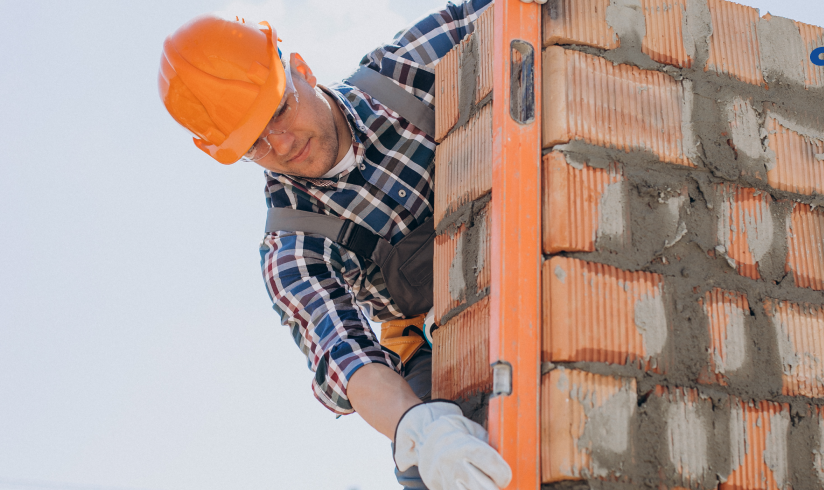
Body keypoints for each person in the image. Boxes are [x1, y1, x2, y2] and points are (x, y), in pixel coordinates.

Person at [157, 1, 545, 488]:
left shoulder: (404, 72)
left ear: (298, 68)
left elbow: (492, 10)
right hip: (434, 341)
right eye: (253, 142)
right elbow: (346, 354)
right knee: (430, 467)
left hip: (529, 239)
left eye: (278, 110)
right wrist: (421, 431)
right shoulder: (293, 244)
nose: (280, 145)